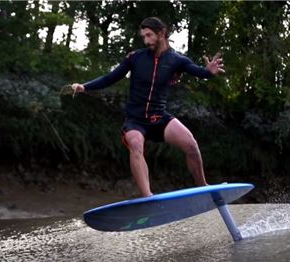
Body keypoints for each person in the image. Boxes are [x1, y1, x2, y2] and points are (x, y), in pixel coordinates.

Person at [72, 17, 225, 197]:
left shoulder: (177, 60)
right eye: (143, 36)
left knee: (191, 144)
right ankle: (148, 196)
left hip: (159, 117)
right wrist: (85, 86)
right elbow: (110, 78)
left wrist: (209, 72)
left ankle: (204, 187)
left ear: (161, 33)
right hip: (135, 120)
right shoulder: (135, 58)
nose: (146, 40)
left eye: (149, 35)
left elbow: (199, 72)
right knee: (136, 144)